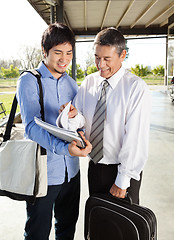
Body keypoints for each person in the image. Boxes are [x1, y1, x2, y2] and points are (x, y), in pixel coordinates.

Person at [17, 22, 91, 240]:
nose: (64, 59)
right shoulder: (29, 81)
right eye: (58, 52)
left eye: (69, 53)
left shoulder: (71, 83)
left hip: (72, 171)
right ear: (44, 51)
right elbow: (31, 128)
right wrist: (64, 148)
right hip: (44, 171)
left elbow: (78, 123)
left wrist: (76, 118)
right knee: (37, 232)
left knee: (67, 228)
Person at [72, 27, 151, 204]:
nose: (101, 64)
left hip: (122, 172)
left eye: (107, 59)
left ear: (122, 55)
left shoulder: (135, 88)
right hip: (95, 167)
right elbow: (81, 119)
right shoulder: (89, 82)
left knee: (122, 229)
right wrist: (73, 116)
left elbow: (135, 138)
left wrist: (123, 180)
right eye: (97, 58)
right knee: (97, 224)